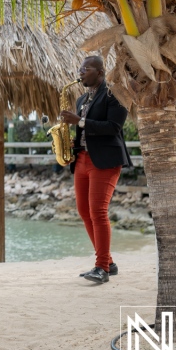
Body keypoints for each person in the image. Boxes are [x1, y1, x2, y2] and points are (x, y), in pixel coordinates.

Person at [60, 55, 131, 284]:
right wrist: (74, 142)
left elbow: (113, 127)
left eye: (86, 68)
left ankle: (101, 268)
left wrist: (79, 121)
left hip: (105, 160)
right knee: (83, 211)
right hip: (82, 159)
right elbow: (86, 130)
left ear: (100, 72)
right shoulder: (81, 100)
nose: (80, 72)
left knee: (98, 211)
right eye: (80, 68)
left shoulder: (115, 94)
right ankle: (108, 262)